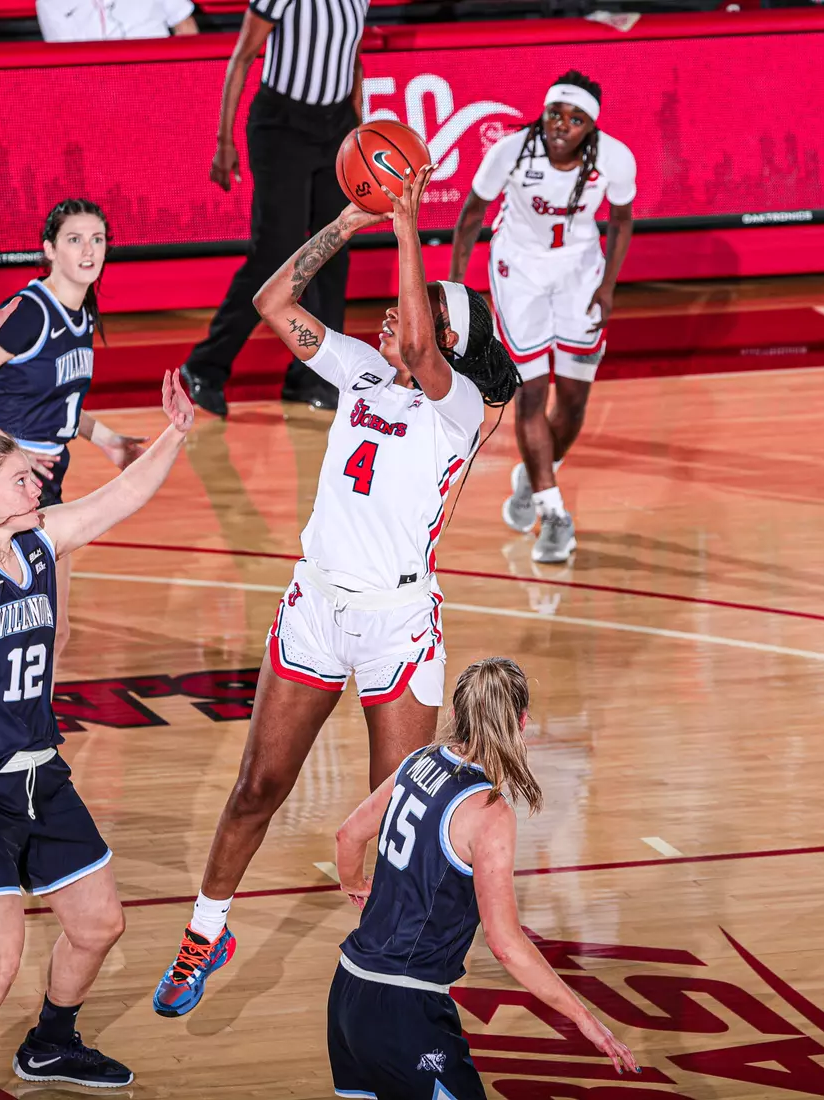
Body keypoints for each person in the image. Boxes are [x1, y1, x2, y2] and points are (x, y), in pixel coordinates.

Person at [152, 167, 520, 1018]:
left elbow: (424, 351)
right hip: (316, 606)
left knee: (399, 823)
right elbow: (273, 299)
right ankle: (208, 930)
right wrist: (351, 221)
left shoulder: (456, 406)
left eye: (423, 304)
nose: (399, 310)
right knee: (256, 786)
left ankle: (392, 974)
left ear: (453, 346)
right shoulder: (356, 368)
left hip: (397, 626)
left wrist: (407, 225)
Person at [0, 265, 194, 1097]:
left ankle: (51, 1044)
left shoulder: (38, 541)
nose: (40, 480)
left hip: (36, 771)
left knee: (101, 924)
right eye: (21, 474)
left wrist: (173, 434)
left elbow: (123, 498)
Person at [328, 657, 639, 1097]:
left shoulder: (417, 761)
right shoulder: (490, 812)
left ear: (455, 715)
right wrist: (586, 1020)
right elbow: (507, 945)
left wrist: (354, 884)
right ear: (522, 722)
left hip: (348, 993)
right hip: (405, 1008)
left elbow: (348, 835)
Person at [0, 199, 145, 670]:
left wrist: (109, 441)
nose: (89, 250)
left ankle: (30, 736)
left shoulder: (83, 313)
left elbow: (60, 402)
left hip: (42, 487)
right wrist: (15, 456)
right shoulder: (30, 313)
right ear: (49, 249)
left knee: (52, 630)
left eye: (98, 239)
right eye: (75, 240)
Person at [449, 70, 636, 564]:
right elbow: (471, 213)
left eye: (575, 119)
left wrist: (608, 285)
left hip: (579, 272)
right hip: (519, 271)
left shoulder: (615, 159)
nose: (561, 125)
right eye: (555, 113)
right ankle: (553, 512)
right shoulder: (511, 151)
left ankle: (534, 473)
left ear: (590, 128)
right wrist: (455, 285)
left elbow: (621, 219)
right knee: (531, 392)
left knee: (573, 402)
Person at [177, 0, 372, 417]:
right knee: (275, 254)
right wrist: (223, 140)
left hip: (335, 125)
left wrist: (356, 131)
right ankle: (204, 366)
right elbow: (243, 54)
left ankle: (314, 377)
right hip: (282, 125)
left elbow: (352, 60)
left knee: (333, 250)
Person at [37, 0, 197, 41]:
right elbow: (64, 68)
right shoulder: (49, 3)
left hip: (159, 81)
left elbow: (185, 27)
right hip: (97, 93)